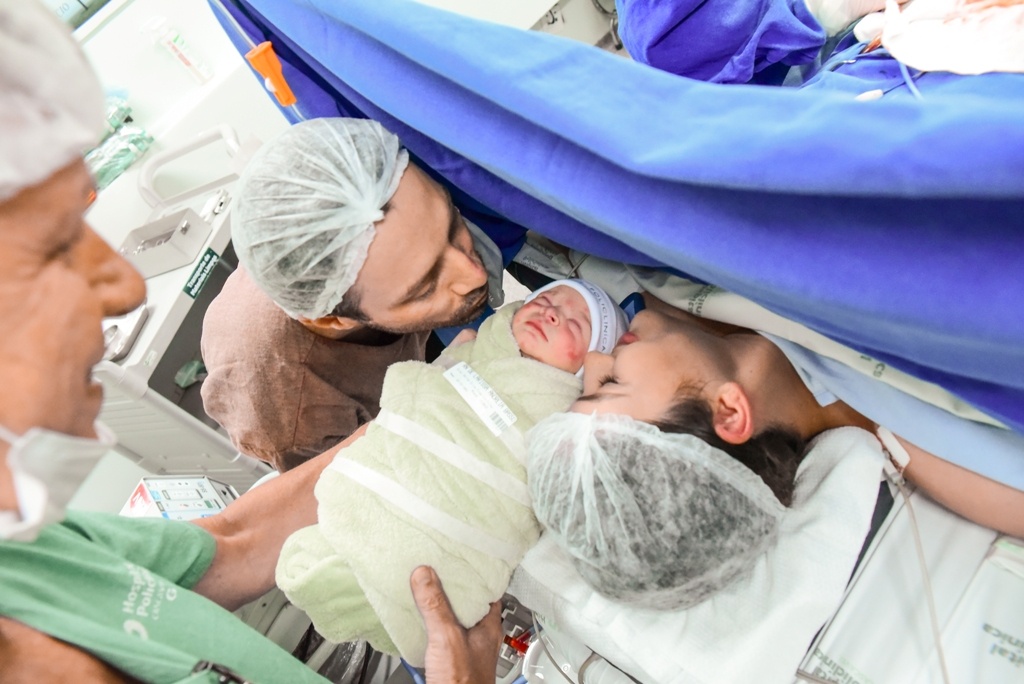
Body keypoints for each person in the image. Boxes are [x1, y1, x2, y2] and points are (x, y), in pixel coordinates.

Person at [0, 3, 499, 682]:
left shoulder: (29, 550)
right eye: (55, 247)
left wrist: (435, 412)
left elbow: (233, 545)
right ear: (332, 320)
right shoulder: (282, 397)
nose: (122, 286)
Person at [276, 280, 628, 665]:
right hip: (397, 471)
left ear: (589, 367)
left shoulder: (564, 417)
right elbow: (420, 398)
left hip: (462, 523)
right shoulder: (473, 349)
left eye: (575, 324)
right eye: (545, 299)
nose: (552, 314)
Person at [200, 116, 507, 471]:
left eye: (452, 226)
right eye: (425, 287)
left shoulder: (360, 216)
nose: (474, 274)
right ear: (333, 320)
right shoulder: (296, 414)